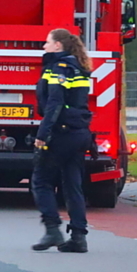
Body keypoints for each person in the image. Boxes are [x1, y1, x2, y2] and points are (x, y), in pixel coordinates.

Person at [31, 28, 93, 253]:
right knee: (72, 184)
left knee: (41, 180)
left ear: (58, 45)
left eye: (47, 42)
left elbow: (54, 104)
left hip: (62, 133)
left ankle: (52, 229)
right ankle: (78, 237)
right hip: (79, 133)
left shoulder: (59, 68)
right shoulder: (78, 67)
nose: (44, 46)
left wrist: (42, 135)